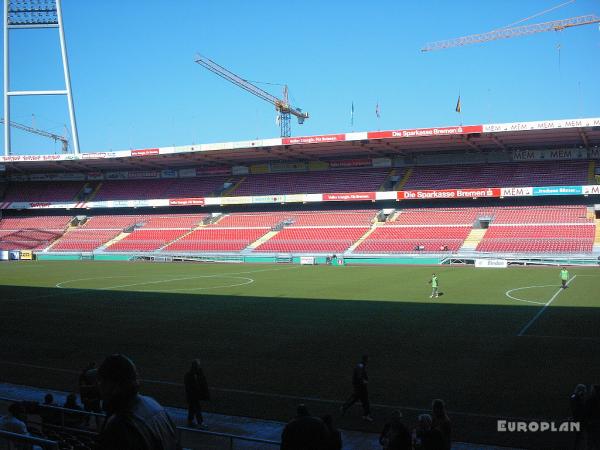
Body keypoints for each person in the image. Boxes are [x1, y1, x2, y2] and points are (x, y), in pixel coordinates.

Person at [96, 353, 178, 450]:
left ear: (115, 386)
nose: (99, 386)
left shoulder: (120, 426)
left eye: (102, 381)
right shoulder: (154, 404)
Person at [341, 355, 372, 421]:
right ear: (365, 360)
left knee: (356, 398)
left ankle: (344, 407)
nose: (368, 361)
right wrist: (364, 381)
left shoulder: (360, 366)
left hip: (359, 387)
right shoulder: (361, 366)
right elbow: (359, 376)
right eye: (368, 360)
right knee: (365, 401)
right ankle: (366, 415)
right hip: (361, 387)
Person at [184, 359, 210, 428]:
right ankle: (200, 423)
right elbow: (197, 384)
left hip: (192, 395)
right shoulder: (193, 375)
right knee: (197, 408)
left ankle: (190, 420)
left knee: (192, 408)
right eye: (198, 365)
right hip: (193, 396)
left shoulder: (191, 374)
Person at [570, 384, 587, 450]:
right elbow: (577, 408)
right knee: (578, 436)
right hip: (578, 419)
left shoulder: (575, 396)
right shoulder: (575, 397)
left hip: (578, 418)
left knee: (579, 436)